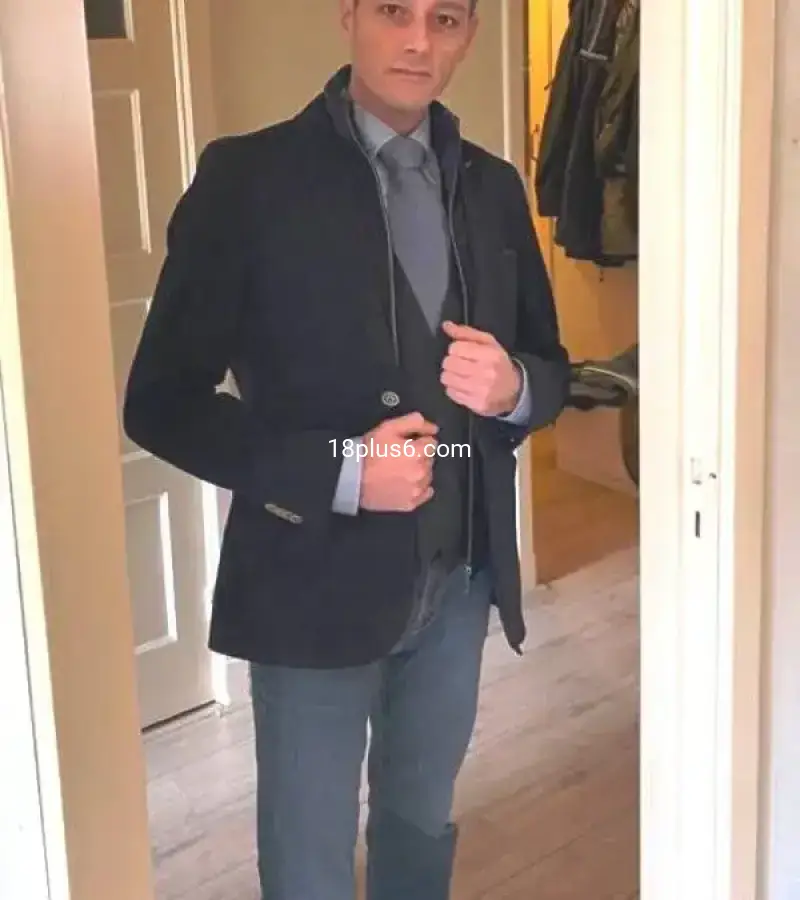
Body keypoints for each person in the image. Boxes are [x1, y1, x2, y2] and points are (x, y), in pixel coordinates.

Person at [122, 0, 570, 897]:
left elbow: (550, 367)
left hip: (459, 580)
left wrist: (516, 387)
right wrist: (342, 472)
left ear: (470, 34)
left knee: (420, 825)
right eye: (393, 10)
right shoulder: (248, 180)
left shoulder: (492, 188)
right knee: (309, 860)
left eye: (446, 18)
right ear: (348, 15)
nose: (418, 40)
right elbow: (160, 404)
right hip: (309, 586)